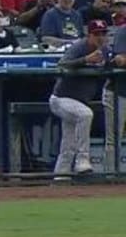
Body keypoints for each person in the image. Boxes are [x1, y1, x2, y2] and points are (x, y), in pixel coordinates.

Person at [48, 20, 110, 176]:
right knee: (86, 114)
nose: (100, 37)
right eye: (96, 34)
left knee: (68, 143)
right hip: (61, 99)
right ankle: (83, 159)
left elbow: (111, 64)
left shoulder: (105, 50)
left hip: (79, 101)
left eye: (103, 34)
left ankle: (60, 177)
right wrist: (85, 60)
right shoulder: (80, 47)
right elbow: (62, 64)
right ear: (89, 35)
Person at [103, 21, 126, 173]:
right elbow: (120, 60)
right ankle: (110, 177)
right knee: (114, 139)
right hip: (119, 92)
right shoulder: (123, 32)